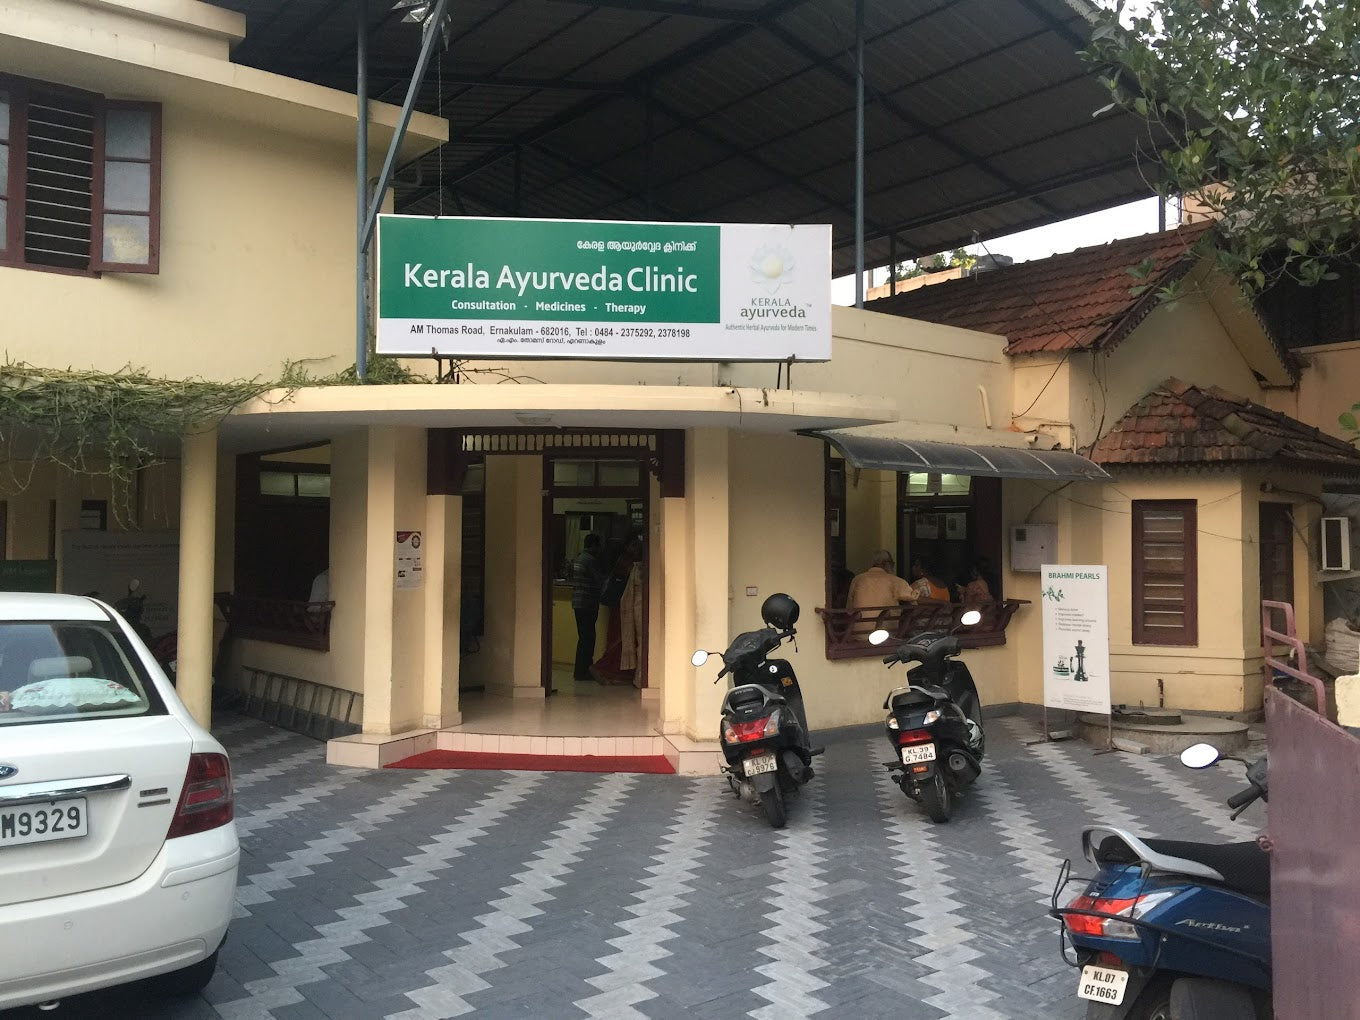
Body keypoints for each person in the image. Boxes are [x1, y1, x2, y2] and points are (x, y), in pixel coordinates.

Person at [571, 533, 607, 682]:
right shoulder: (591, 561)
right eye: (598, 546)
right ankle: (585, 671)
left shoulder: (579, 558)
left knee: (583, 638)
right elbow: (598, 581)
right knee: (588, 638)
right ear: (594, 545)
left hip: (578, 603)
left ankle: (580, 670)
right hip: (588, 603)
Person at [847, 550, 917, 612]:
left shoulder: (857, 579)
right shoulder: (896, 581)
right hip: (885, 626)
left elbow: (849, 607)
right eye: (892, 563)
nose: (893, 566)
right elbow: (913, 599)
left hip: (860, 625)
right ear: (886, 563)